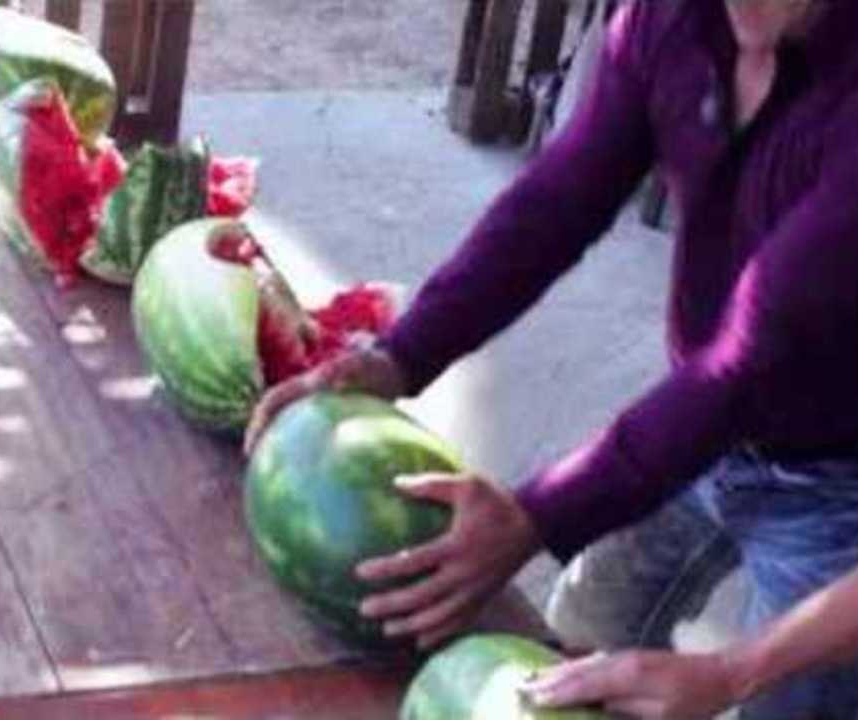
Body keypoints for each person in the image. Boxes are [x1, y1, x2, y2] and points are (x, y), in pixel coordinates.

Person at [245, 0, 858, 716]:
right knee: (575, 640)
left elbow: (758, 351)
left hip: (839, 488)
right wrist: (400, 355)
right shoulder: (671, 19)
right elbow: (559, 200)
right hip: (696, 426)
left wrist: (732, 671)